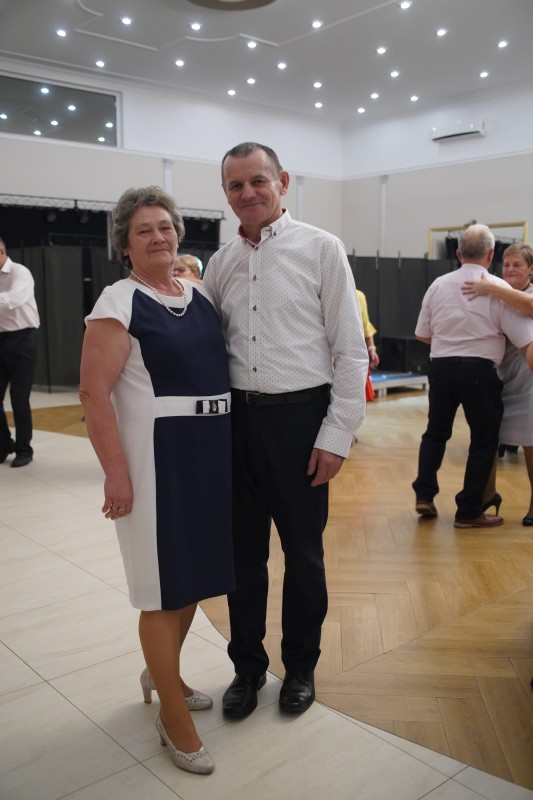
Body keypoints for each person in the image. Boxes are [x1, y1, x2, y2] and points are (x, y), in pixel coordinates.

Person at [203, 142, 368, 718]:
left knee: (303, 556)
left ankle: (300, 667)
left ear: (283, 182)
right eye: (235, 185)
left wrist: (336, 434)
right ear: (225, 193)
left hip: (301, 423)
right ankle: (247, 668)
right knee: (242, 559)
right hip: (236, 427)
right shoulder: (219, 263)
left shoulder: (321, 248)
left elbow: (351, 351)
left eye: (258, 180)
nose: (247, 192)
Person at [79, 186, 235, 775]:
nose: (158, 237)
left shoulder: (199, 294)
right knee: (161, 589)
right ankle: (172, 716)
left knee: (191, 580)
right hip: (156, 460)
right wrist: (115, 476)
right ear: (124, 244)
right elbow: (93, 393)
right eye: (143, 230)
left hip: (209, 454)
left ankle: (162, 674)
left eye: (165, 227)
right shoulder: (118, 302)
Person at [412, 224, 533, 528]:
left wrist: (452, 337)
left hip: (441, 368)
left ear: (458, 253)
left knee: (435, 433)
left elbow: (422, 334)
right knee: (484, 439)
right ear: (491, 255)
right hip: (479, 371)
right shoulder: (498, 288)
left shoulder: (438, 284)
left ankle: (424, 494)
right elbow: (524, 339)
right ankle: (468, 511)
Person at [462, 242, 533, 525]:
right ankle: (487, 493)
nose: (510, 269)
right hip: (499, 378)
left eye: (517, 265)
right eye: (506, 265)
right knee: (487, 438)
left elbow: (529, 306)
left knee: (530, 443)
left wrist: (492, 287)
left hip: (528, 381)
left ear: (531, 269)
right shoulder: (495, 292)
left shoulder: (499, 291)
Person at [0, 238, 40, 467]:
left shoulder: (20, 272)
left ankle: (24, 449)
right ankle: (4, 444)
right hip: (1, 340)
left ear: (2, 252)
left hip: (23, 339)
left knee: (19, 397)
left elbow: (13, 300)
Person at [356, 288, 379, 402]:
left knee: (358, 399)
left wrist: (372, 348)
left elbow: (365, 323)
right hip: (330, 356)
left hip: (355, 354)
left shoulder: (359, 296)